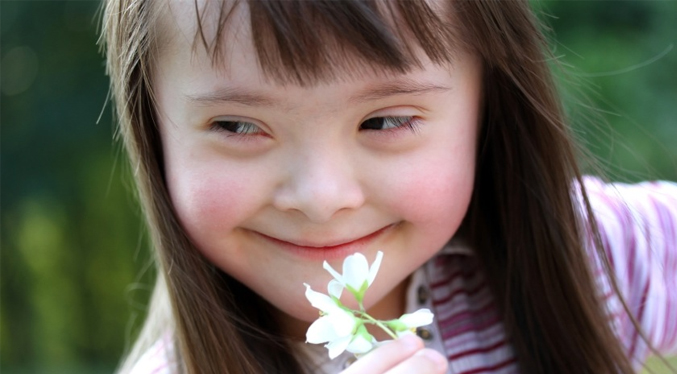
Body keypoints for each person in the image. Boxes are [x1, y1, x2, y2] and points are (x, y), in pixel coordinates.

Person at [100, 0, 677, 373]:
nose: (322, 197)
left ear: (489, 106)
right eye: (238, 125)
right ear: (155, 134)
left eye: (385, 121)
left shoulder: (590, 256)